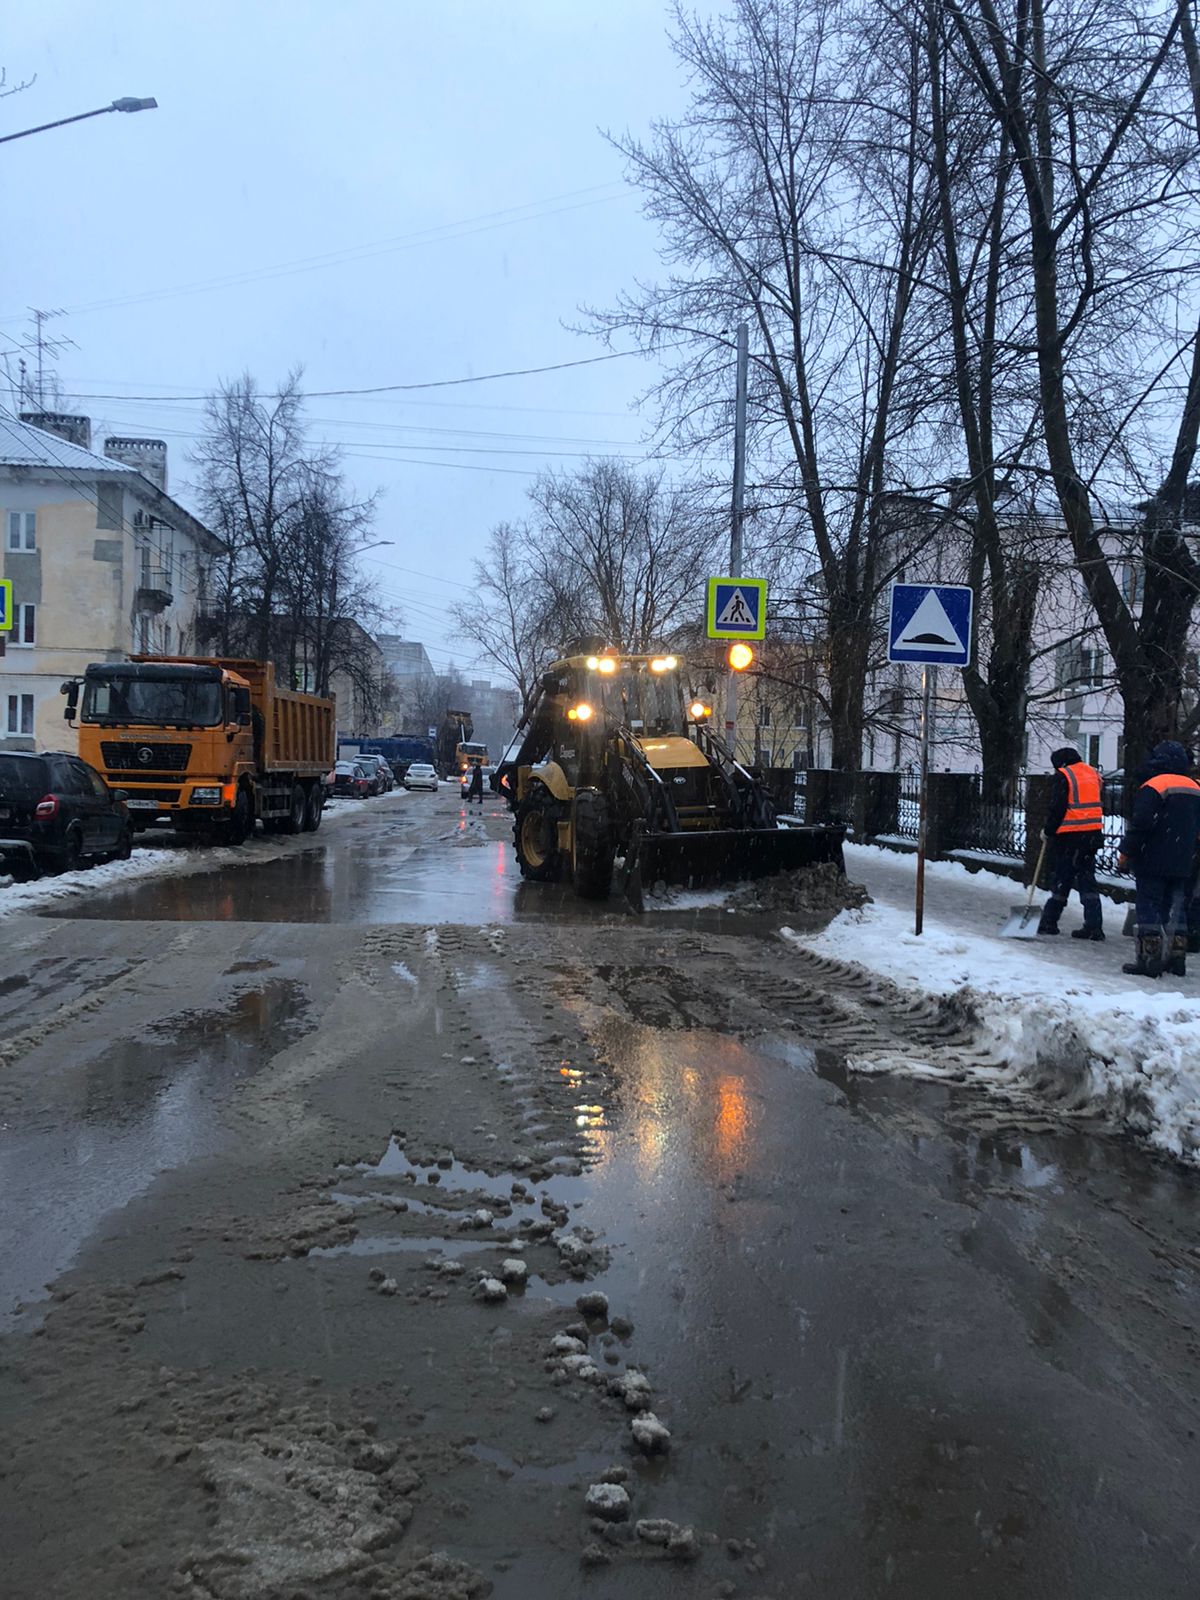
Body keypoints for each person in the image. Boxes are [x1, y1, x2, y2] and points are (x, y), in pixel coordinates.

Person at [1118, 740, 1200, 978]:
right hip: (1184, 859)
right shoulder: (1194, 788)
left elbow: (1141, 824)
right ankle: (1177, 957)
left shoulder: (1155, 785)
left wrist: (1127, 852)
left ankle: (1150, 958)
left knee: (1149, 905)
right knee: (1176, 908)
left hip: (1153, 857)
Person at [1036, 746, 1105, 940]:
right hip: (1091, 836)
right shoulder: (1093, 773)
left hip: (1070, 837)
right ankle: (1094, 925)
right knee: (1087, 879)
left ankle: (1049, 921)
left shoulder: (1064, 775)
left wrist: (1048, 831)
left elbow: (1057, 807)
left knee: (1062, 878)